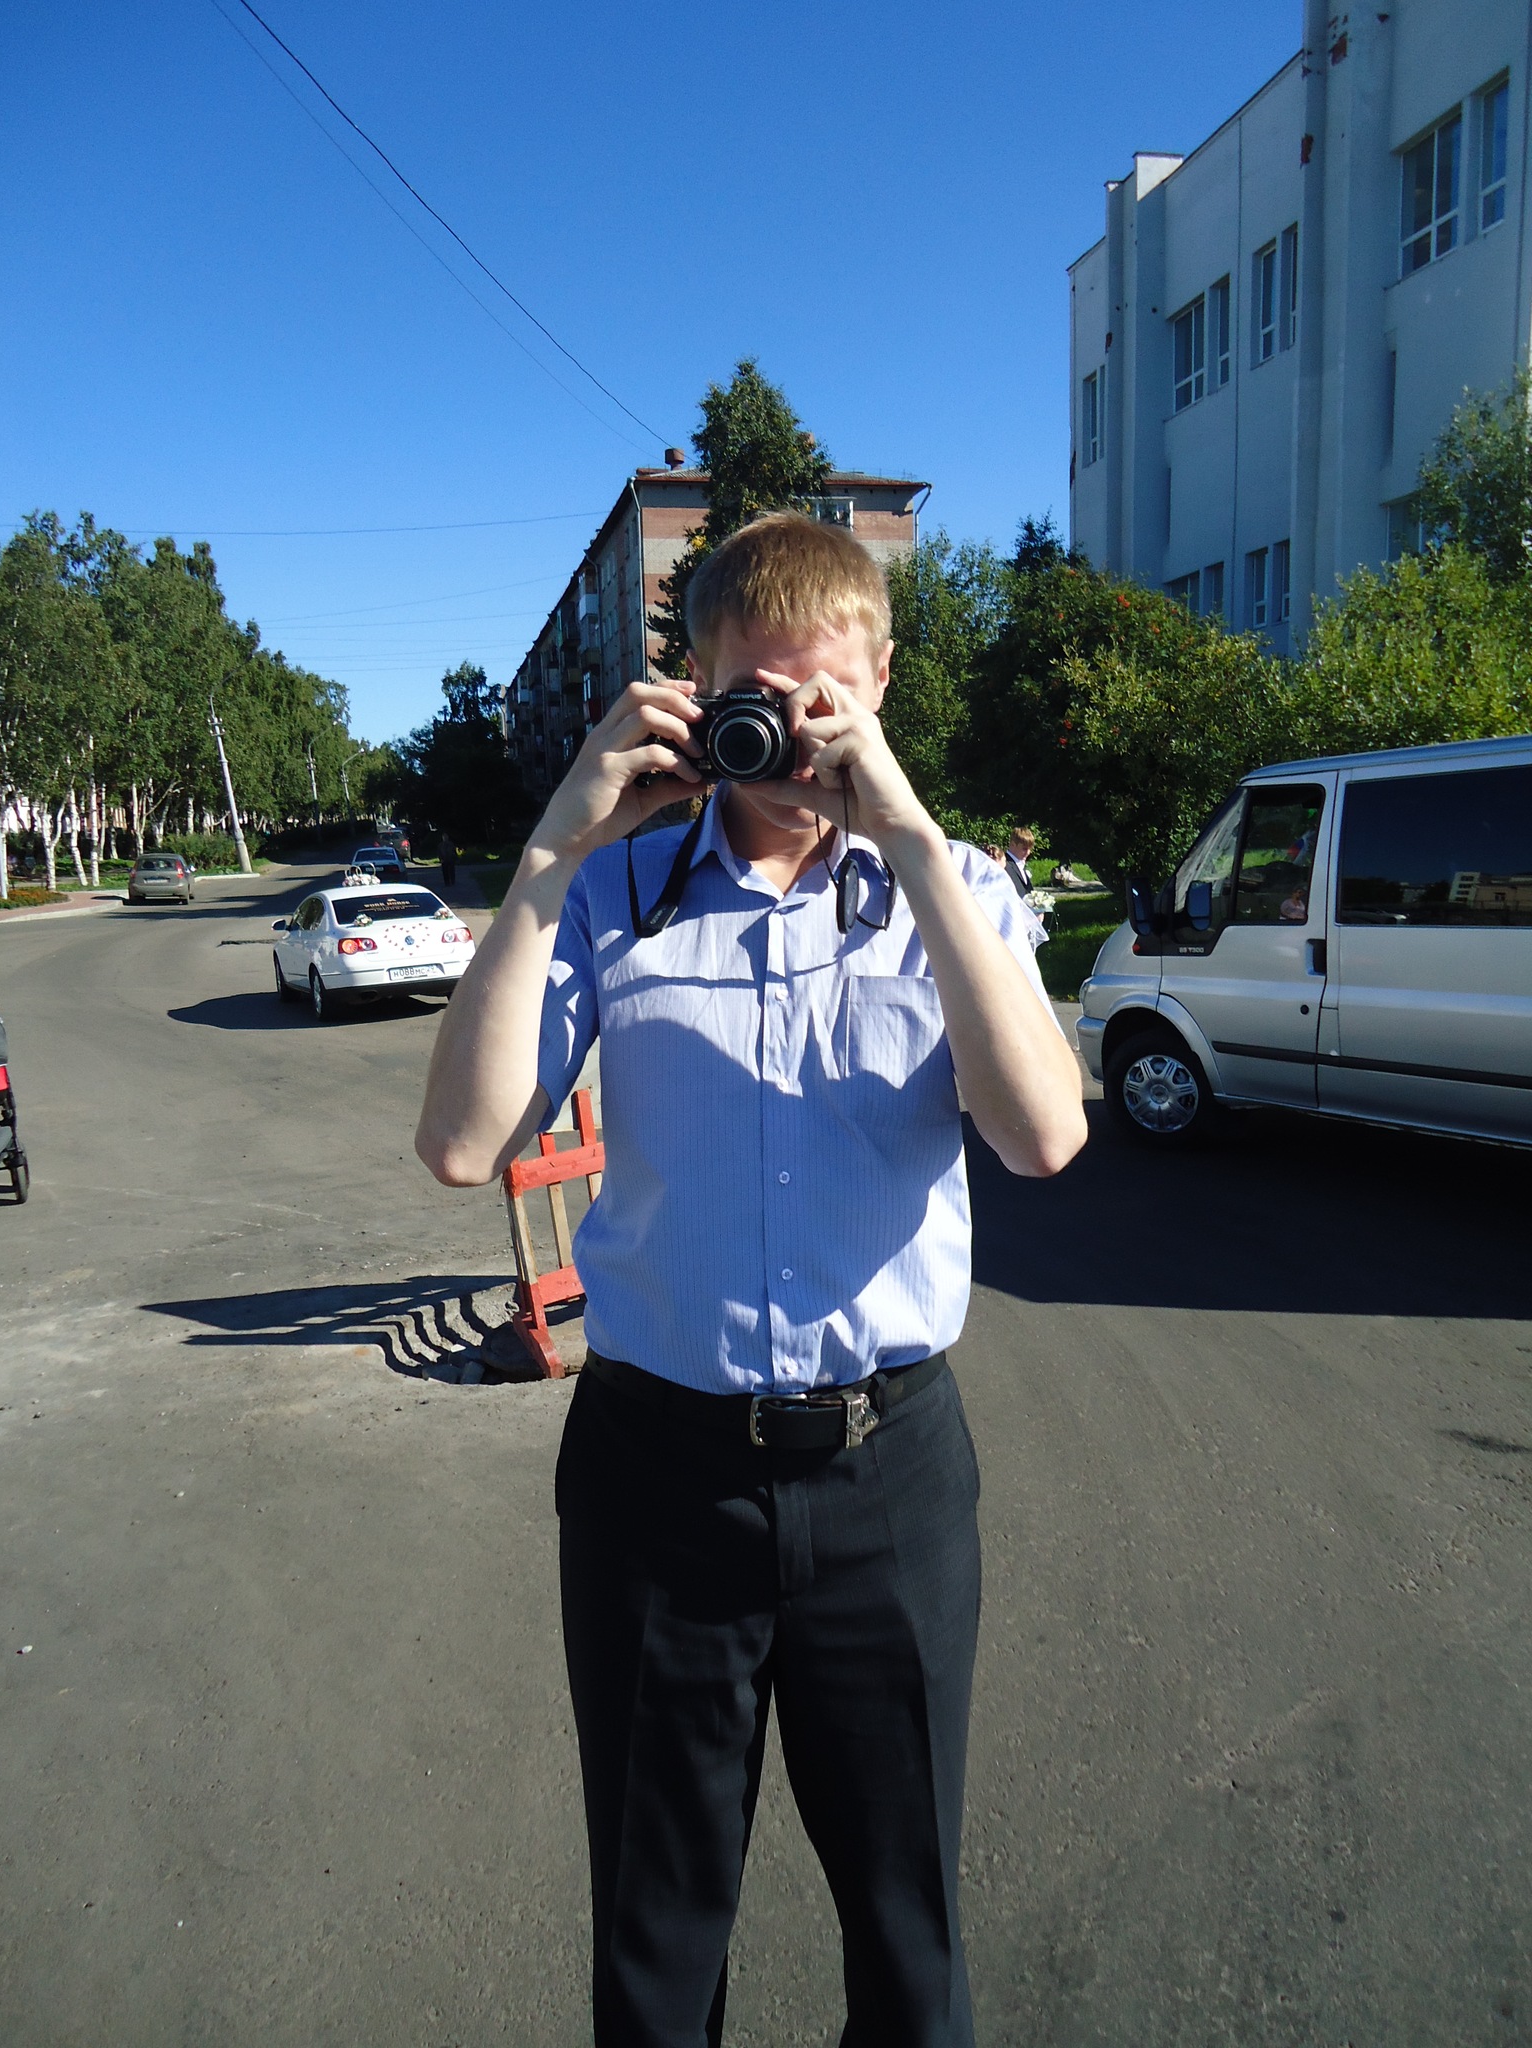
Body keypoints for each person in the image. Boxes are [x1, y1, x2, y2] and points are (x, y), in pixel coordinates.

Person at [415, 513, 1087, 2048]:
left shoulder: (957, 892)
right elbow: (461, 1146)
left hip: (888, 1476)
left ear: (882, 685)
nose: (787, 737)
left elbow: (1044, 1137)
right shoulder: (616, 893)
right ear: (693, 689)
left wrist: (911, 844)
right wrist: (554, 846)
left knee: (911, 1939)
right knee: (656, 1945)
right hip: (658, 1478)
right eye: (753, 700)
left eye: (822, 699)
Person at [1003, 824, 1035, 900]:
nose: (1028, 852)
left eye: (1030, 849)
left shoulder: (1020, 864)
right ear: (1012, 845)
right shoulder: (1004, 864)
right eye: (1024, 849)